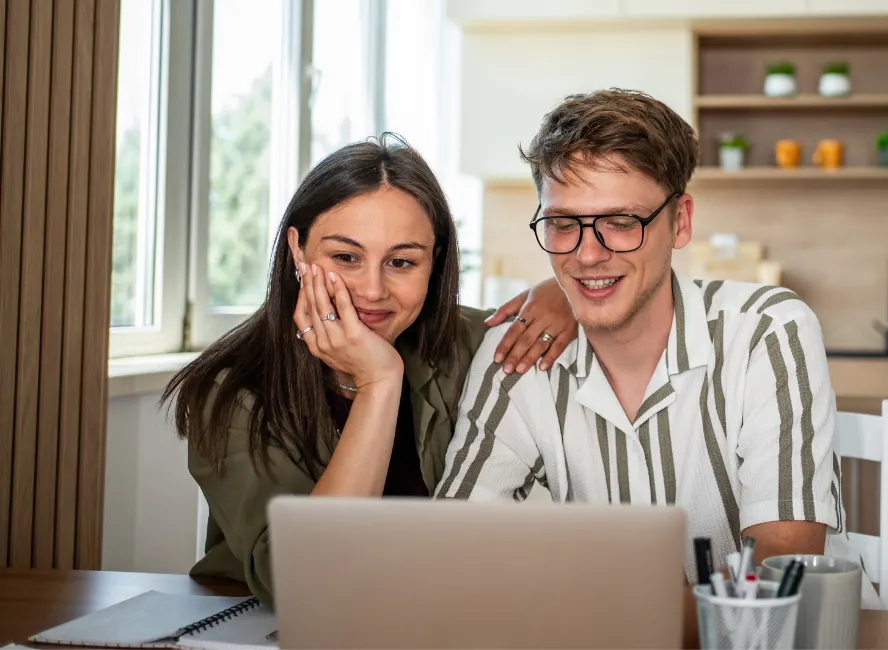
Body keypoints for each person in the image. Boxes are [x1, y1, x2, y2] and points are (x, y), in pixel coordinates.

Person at [435, 89, 881, 644]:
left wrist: (590, 617)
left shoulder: (766, 330)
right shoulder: (522, 350)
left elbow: (776, 580)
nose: (587, 254)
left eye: (621, 221)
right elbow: (454, 547)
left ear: (681, 220)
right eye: (563, 224)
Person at [162, 134, 577, 606]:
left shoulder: (478, 346)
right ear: (298, 251)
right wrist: (379, 383)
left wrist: (568, 292)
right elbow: (311, 581)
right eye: (345, 257)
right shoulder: (232, 388)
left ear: (434, 261)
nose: (373, 290)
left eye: (401, 262)